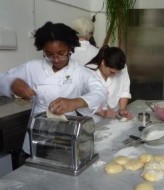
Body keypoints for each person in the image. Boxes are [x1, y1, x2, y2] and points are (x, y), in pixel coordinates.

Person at [0, 22, 108, 154]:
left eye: (61, 53)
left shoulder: (79, 72)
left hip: (67, 131)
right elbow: (2, 79)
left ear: (70, 48)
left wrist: (75, 102)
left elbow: (101, 92)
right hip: (38, 132)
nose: (56, 59)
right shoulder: (32, 67)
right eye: (49, 54)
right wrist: (13, 83)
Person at [86, 46, 132, 121]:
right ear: (103, 63)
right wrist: (101, 112)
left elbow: (125, 89)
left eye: (117, 73)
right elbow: (84, 99)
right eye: (112, 72)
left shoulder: (122, 67)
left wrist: (122, 109)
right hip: (94, 117)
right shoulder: (88, 71)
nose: (114, 75)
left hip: (115, 114)